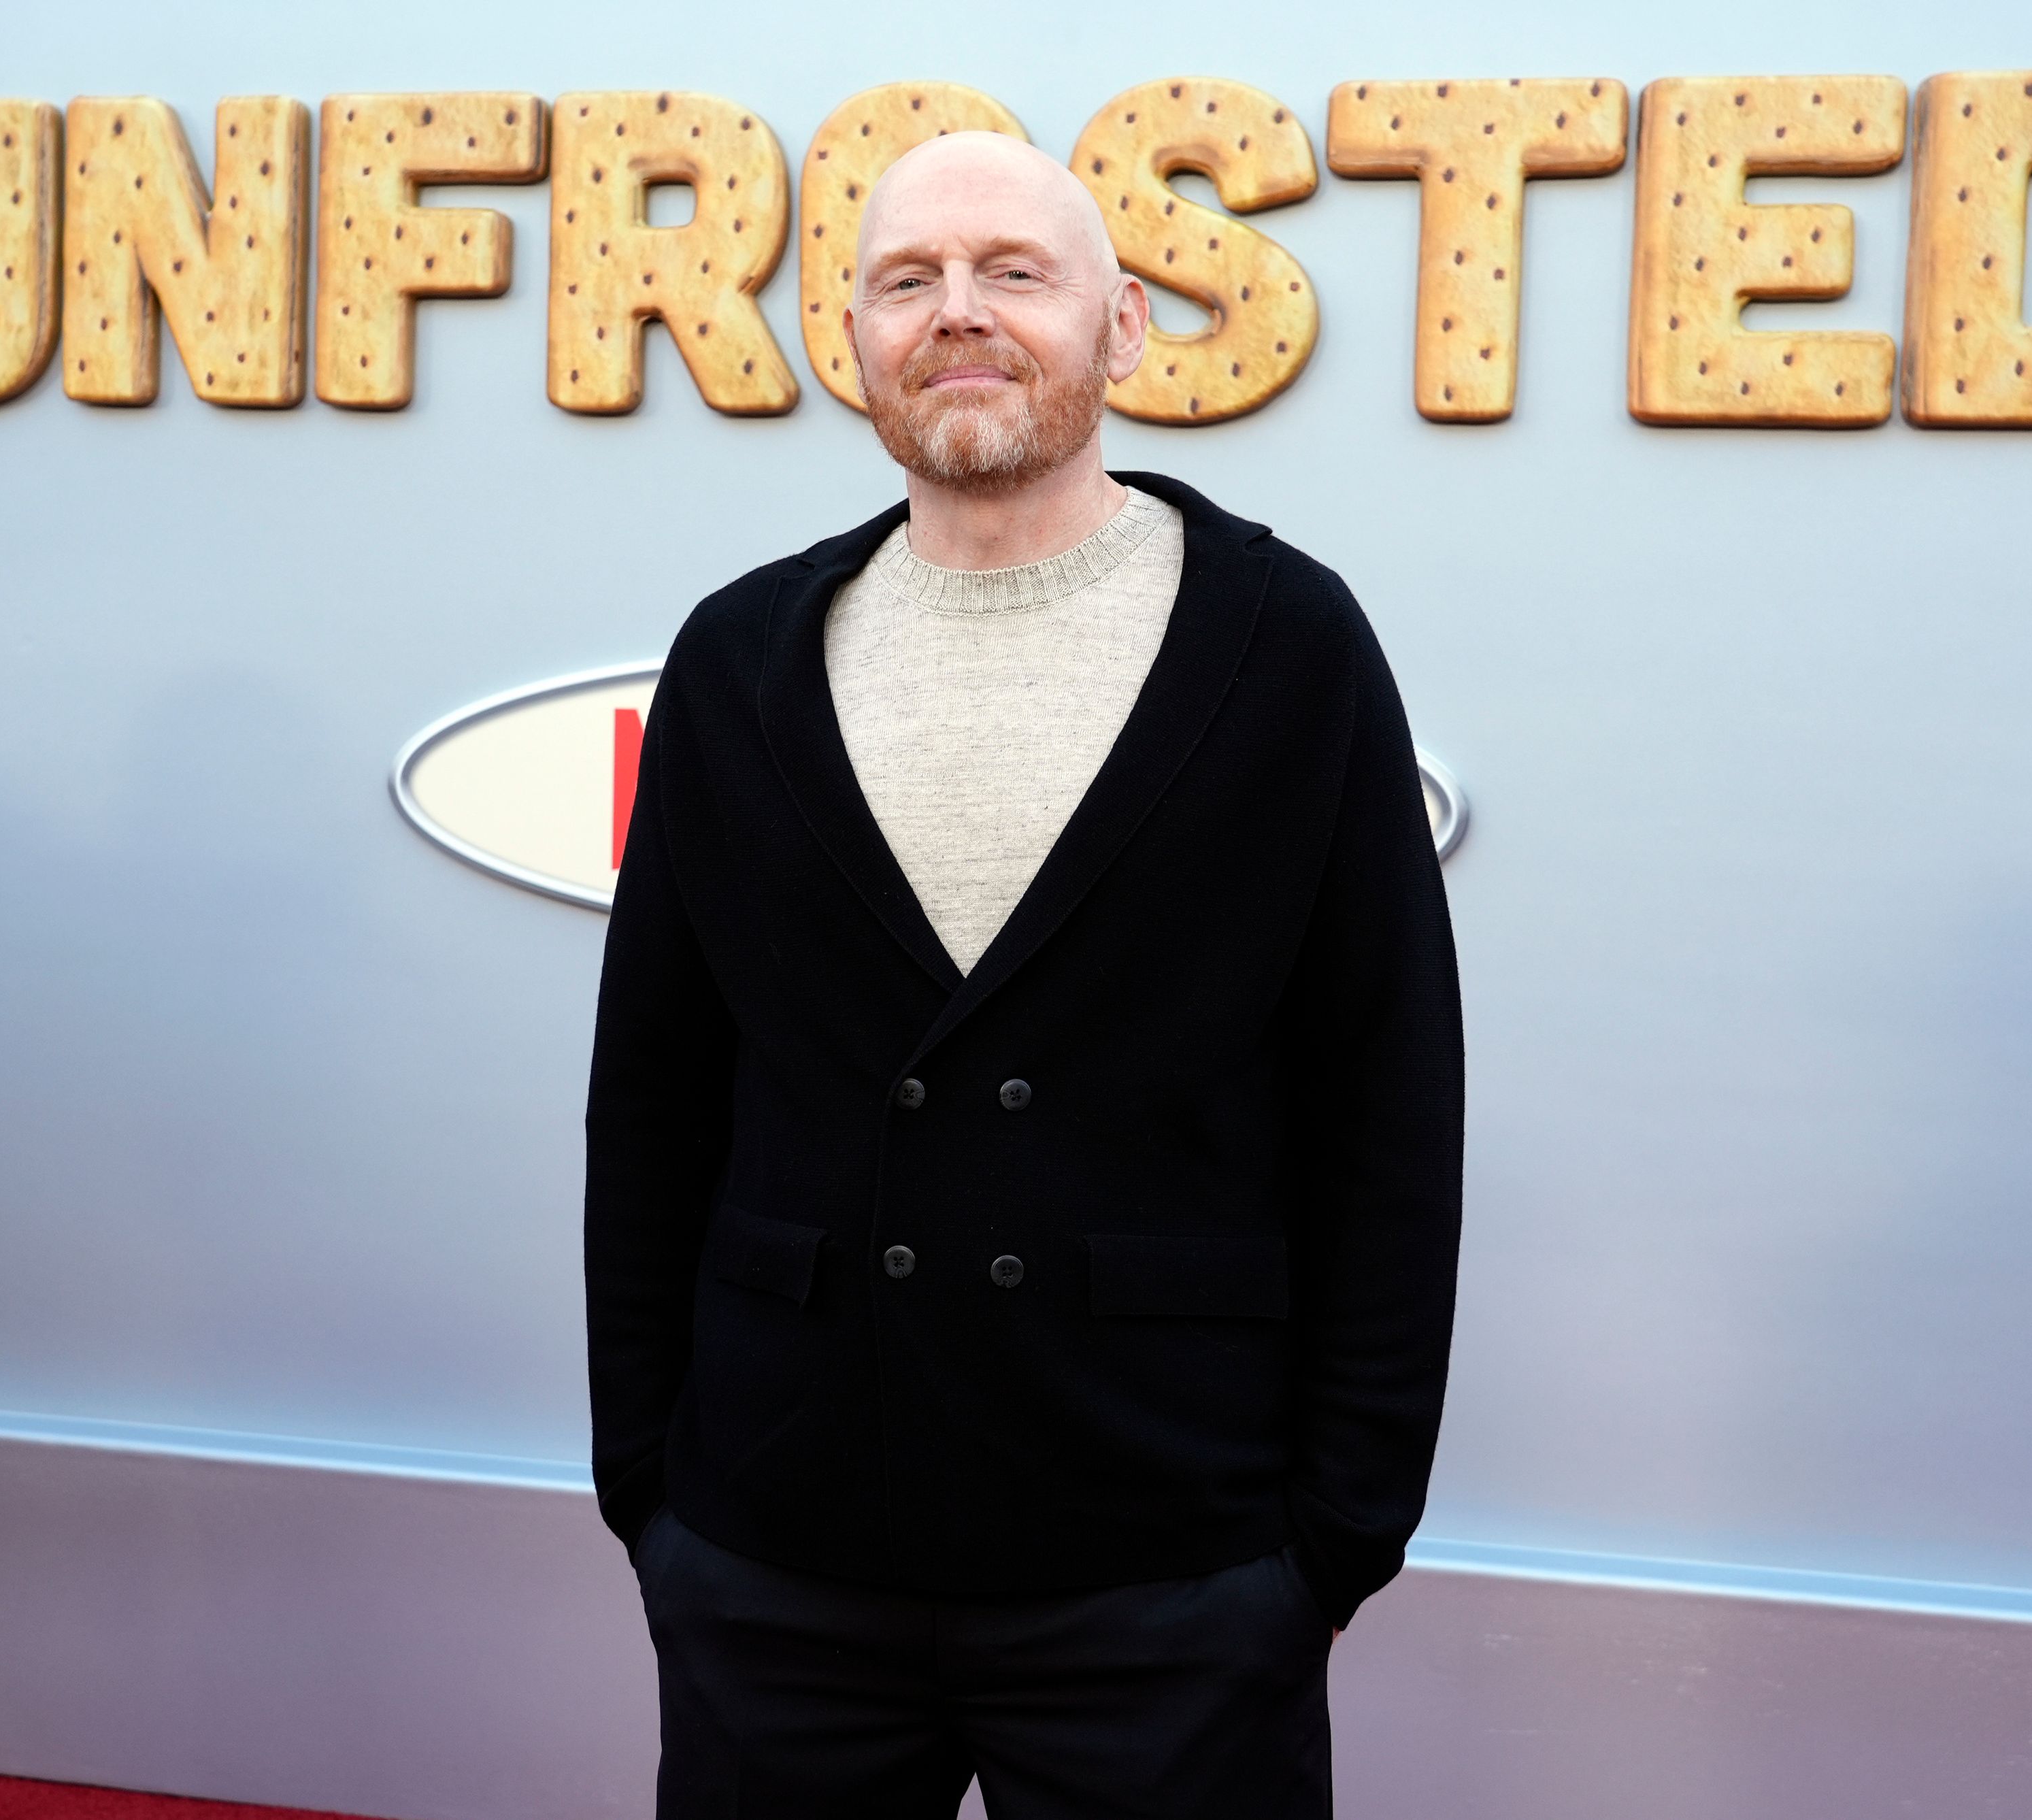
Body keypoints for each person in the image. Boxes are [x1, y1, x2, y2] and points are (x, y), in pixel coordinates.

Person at [585, 130, 1463, 1819]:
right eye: (906, 280)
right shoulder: (734, 661)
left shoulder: (1291, 649)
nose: (956, 313)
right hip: (778, 1558)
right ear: (852, 340)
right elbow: (656, 1104)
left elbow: (1388, 1108)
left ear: (1123, 327)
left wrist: (1333, 1542)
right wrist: (653, 1493)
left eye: (1014, 272)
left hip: (1173, 1566)